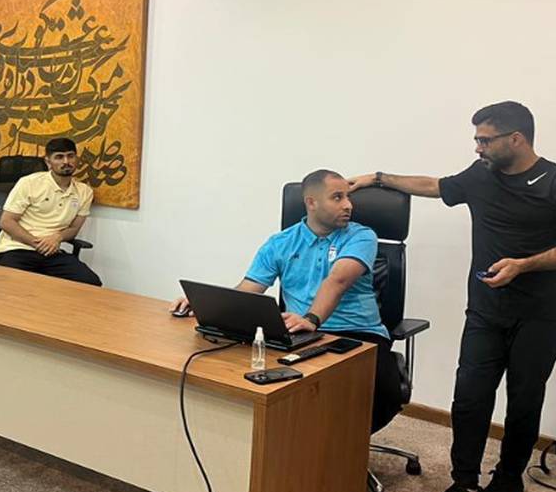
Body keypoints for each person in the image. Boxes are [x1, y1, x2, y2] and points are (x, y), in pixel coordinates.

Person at [348, 100, 556, 492]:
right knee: (469, 397)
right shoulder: (481, 175)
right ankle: (463, 486)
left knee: (524, 399)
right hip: (486, 309)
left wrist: (524, 265)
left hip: (542, 312)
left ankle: (509, 478)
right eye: (476, 139)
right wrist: (378, 177)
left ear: (516, 139)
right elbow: (435, 185)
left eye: (485, 139)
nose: (477, 147)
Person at [169, 169, 403, 433]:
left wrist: (312, 318)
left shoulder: (361, 236)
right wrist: (205, 304)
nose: (348, 205)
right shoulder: (280, 243)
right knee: (243, 374)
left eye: (348, 197)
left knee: (381, 393)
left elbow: (338, 280)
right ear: (311, 203)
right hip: (300, 335)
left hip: (359, 335)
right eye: (337, 197)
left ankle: (341, 448)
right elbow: (249, 289)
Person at [0, 138, 101, 286]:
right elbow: (6, 222)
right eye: (59, 157)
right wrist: (37, 244)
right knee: (17, 287)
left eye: (70, 156)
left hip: (52, 253)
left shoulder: (84, 192)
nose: (66, 162)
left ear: (77, 159)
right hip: (17, 248)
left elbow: (74, 229)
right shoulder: (29, 183)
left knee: (91, 283)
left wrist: (57, 238)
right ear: (48, 162)